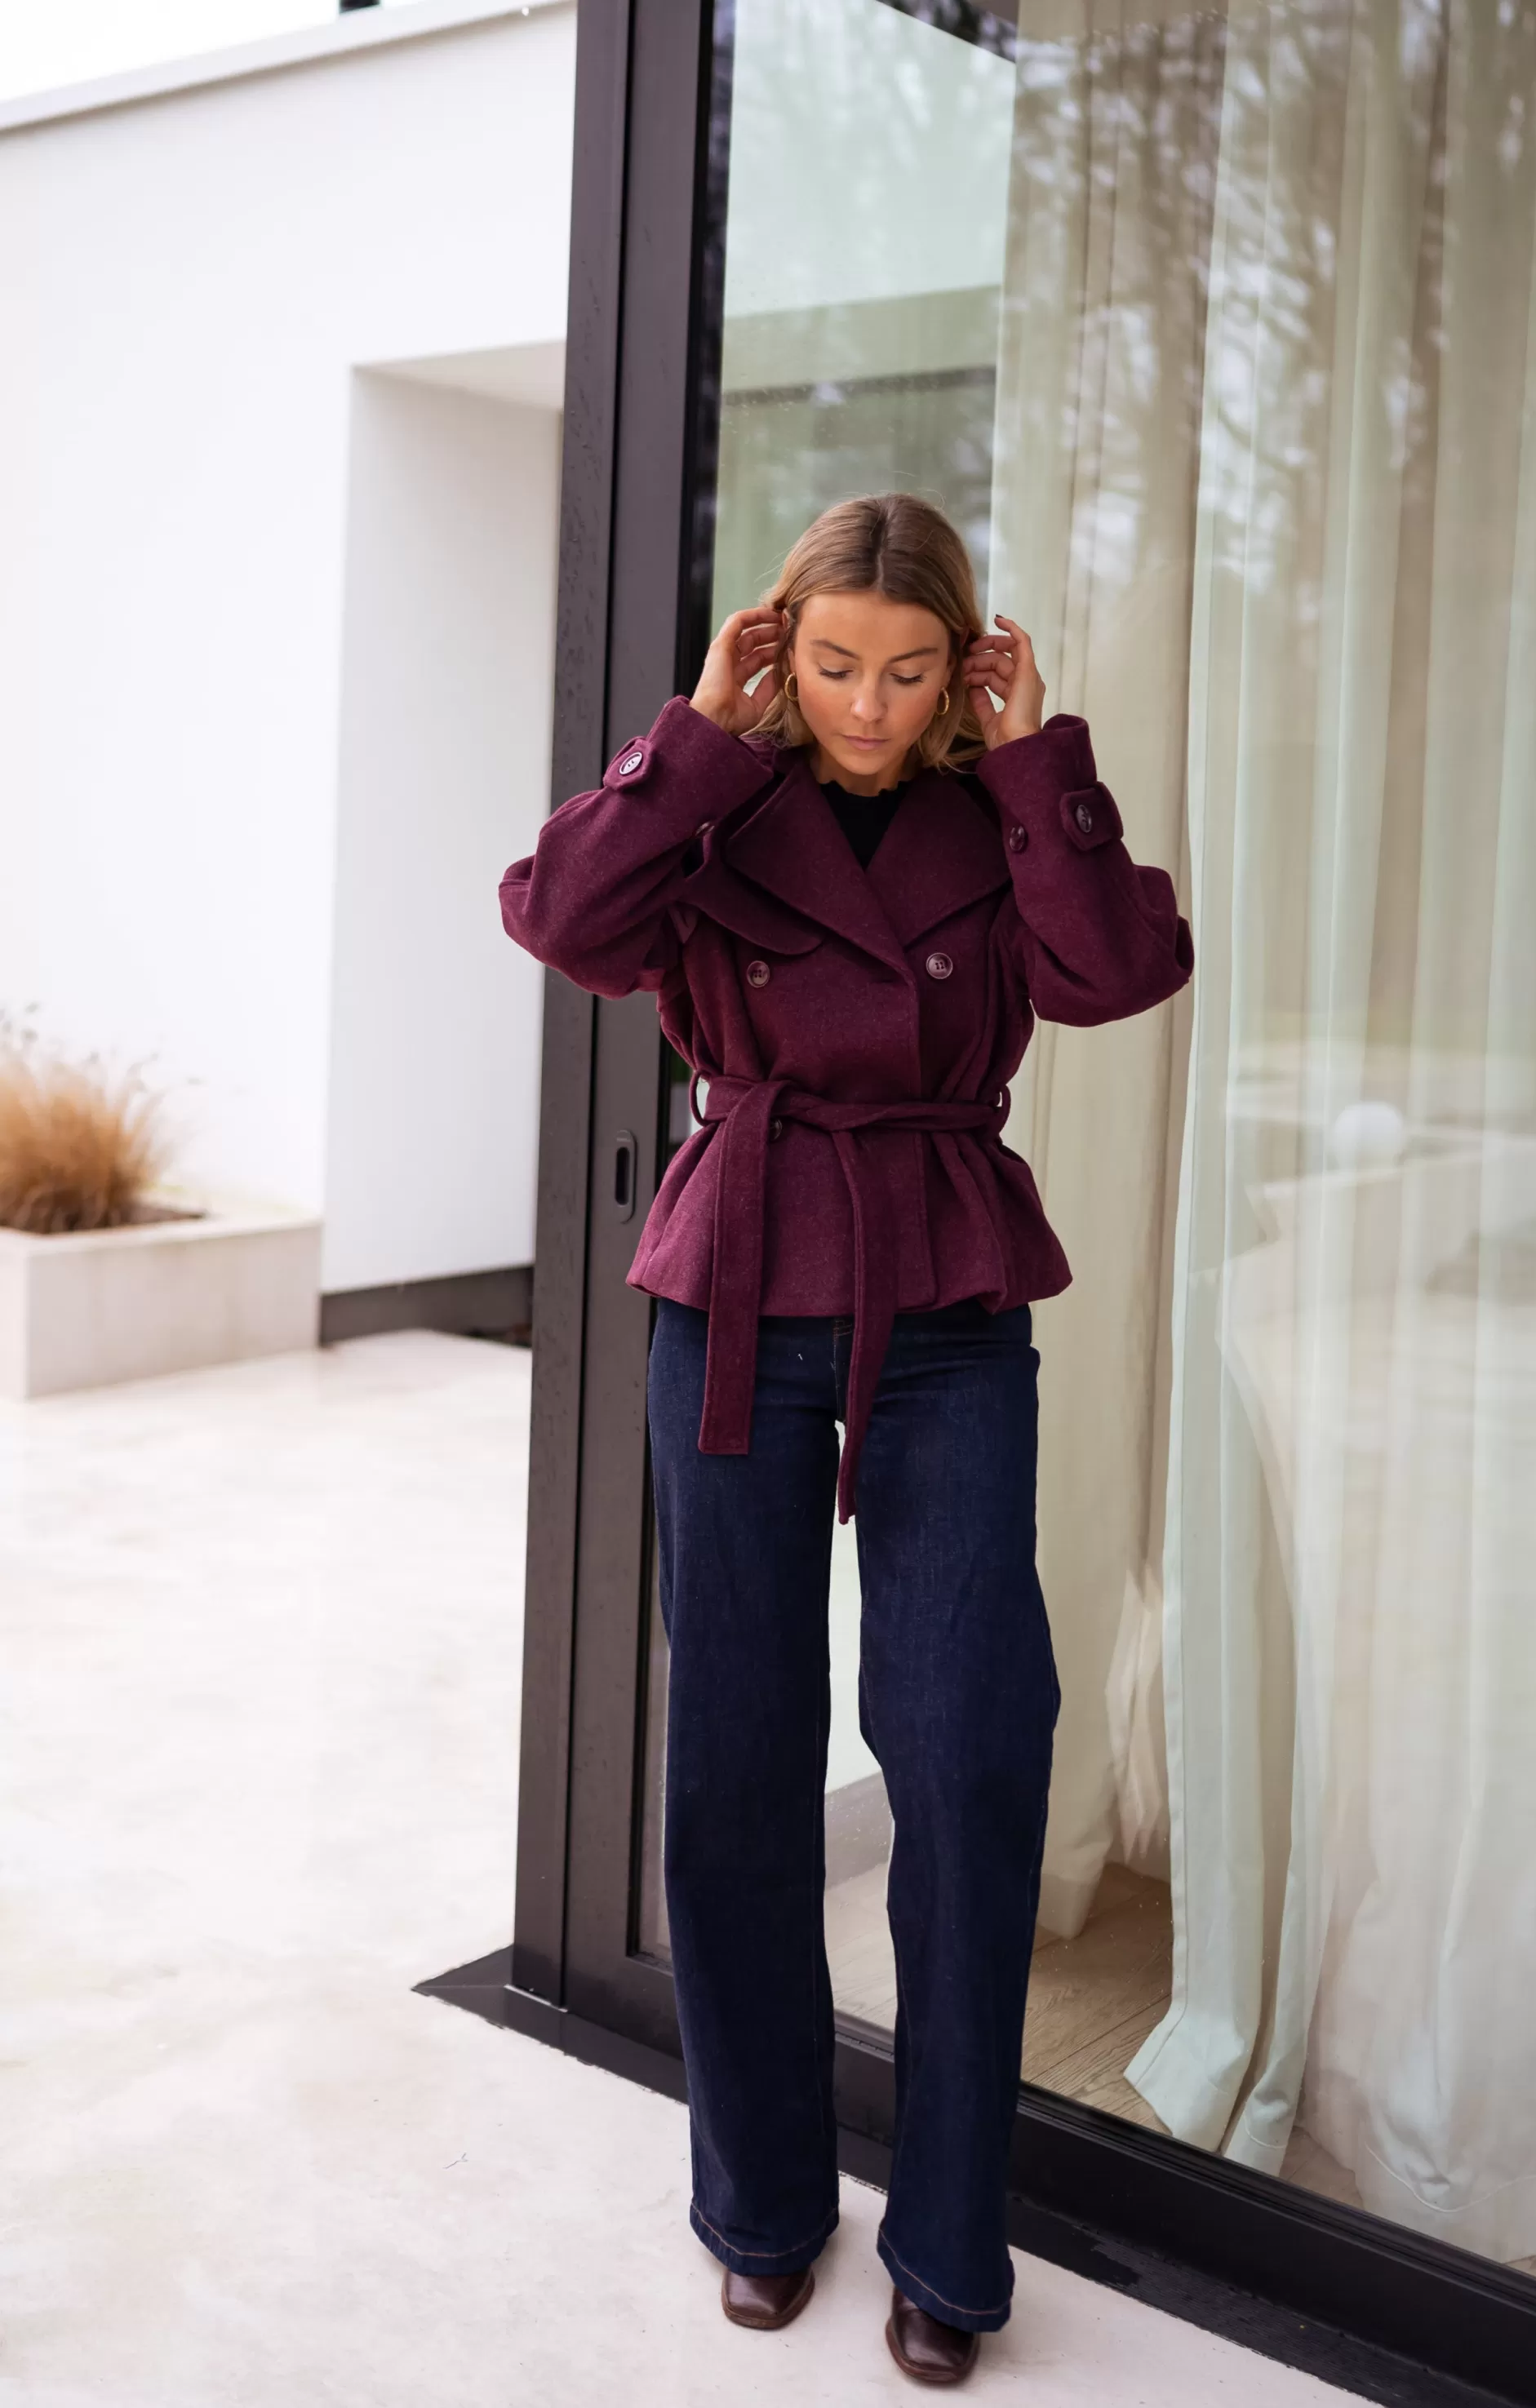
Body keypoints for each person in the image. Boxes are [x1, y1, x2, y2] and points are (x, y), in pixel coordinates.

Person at [499, 493, 1192, 2386]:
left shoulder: (999, 812)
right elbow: (558, 915)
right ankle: (760, 2202)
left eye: (906, 671)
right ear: (779, 651)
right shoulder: (716, 802)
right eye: (832, 667)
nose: (869, 708)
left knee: (968, 1753)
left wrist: (1043, 761)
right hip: (735, 1289)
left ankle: (950, 2242)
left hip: (948, 1300)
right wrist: (693, 740)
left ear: (959, 665)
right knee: (736, 1754)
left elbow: (1121, 970)